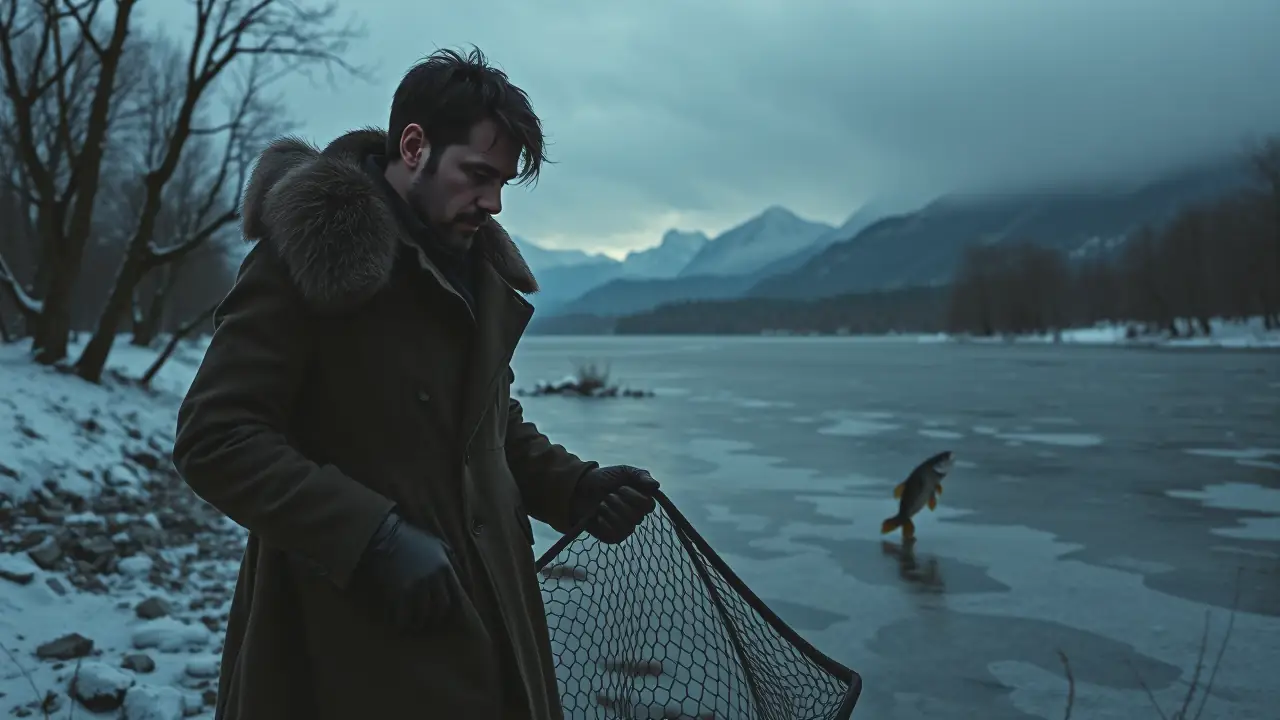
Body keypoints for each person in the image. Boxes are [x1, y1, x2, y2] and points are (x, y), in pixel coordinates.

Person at [171, 46, 660, 720]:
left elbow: (487, 425)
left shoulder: (471, 269)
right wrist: (371, 537)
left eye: (502, 183)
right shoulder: (307, 255)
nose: (493, 203)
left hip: (493, 623)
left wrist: (573, 488)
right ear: (413, 146)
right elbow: (215, 438)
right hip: (345, 647)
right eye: (478, 175)